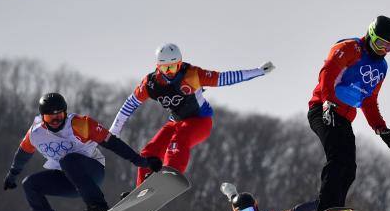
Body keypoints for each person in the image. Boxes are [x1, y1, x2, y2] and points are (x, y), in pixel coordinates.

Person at [3, 93, 162, 211]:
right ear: (43, 117)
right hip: (69, 180)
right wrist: (12, 175)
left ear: (66, 112)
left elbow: (113, 144)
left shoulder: (81, 124)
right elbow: (22, 155)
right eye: (51, 118)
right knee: (30, 184)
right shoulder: (36, 134)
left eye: (60, 116)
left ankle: (98, 204)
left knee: (68, 159)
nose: (56, 121)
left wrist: (141, 161)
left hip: (92, 172)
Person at [109, 43, 275, 186]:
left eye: (174, 66)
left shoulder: (192, 75)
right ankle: (143, 195)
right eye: (166, 68)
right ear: (158, 66)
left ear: (180, 63)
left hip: (199, 121)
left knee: (178, 140)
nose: (170, 72)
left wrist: (258, 71)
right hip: (176, 122)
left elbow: (225, 78)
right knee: (149, 152)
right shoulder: (150, 83)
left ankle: (170, 177)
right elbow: (130, 104)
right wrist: (114, 131)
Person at [308, 16, 390, 211]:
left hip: (343, 118)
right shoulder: (349, 48)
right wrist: (327, 101)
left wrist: (381, 128)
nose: (383, 51)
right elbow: (327, 73)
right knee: (338, 159)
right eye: (380, 44)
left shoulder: (381, 67)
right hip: (323, 110)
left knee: (349, 168)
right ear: (370, 34)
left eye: (389, 47)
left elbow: (369, 101)